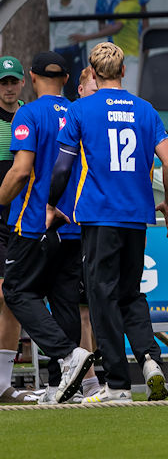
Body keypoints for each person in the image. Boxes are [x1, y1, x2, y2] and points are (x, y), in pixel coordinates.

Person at [47, 42, 168, 403]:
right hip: (136, 217)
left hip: (99, 216)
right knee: (131, 293)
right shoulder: (146, 110)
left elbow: (61, 168)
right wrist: (166, 201)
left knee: (102, 296)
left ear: (93, 71)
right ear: (123, 72)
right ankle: (149, 359)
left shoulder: (80, 110)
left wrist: (50, 204)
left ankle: (118, 384)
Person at [0, 52, 91, 404]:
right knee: (64, 300)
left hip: (34, 222)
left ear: (33, 78)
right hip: (72, 223)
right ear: (67, 79)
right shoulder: (79, 112)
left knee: (17, 292)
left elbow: (22, 170)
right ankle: (60, 386)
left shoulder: (29, 113)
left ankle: (68, 355)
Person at [0, 58, 30, 402]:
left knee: (12, 299)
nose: (8, 87)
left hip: (24, 220)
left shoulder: (31, 115)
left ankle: (4, 384)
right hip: (0, 220)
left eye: (13, 81)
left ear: (23, 83)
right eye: (3, 82)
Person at [49, 0, 92, 95]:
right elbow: (51, 31)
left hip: (76, 48)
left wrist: (84, 38)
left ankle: (81, 106)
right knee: (65, 81)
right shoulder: (53, 9)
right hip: (60, 49)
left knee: (80, 79)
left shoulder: (80, 5)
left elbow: (90, 24)